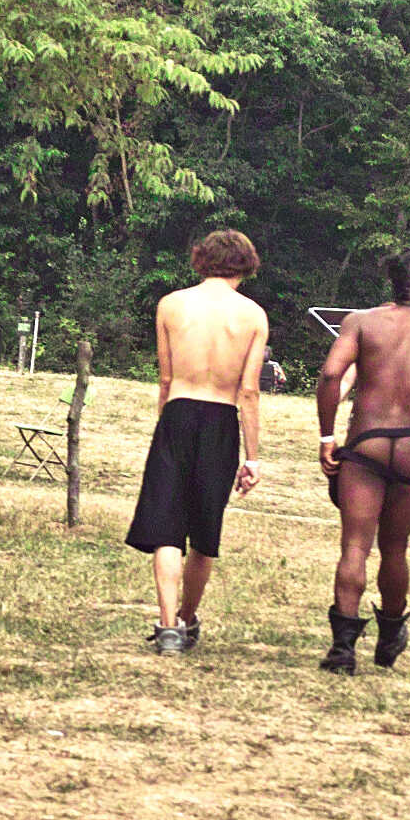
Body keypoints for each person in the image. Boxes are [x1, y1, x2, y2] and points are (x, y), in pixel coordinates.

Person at [314, 253, 410, 673]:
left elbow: (330, 376)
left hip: (365, 442)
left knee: (355, 545)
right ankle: (389, 635)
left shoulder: (361, 323)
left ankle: (342, 649)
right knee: (395, 548)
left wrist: (327, 436)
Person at [125, 230, 268, 655]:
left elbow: (165, 378)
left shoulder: (171, 304)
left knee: (166, 526)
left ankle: (168, 626)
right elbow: (249, 392)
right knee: (205, 530)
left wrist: (165, 427)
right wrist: (253, 457)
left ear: (201, 260)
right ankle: (187, 619)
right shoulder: (253, 316)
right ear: (247, 264)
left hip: (178, 413)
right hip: (221, 420)